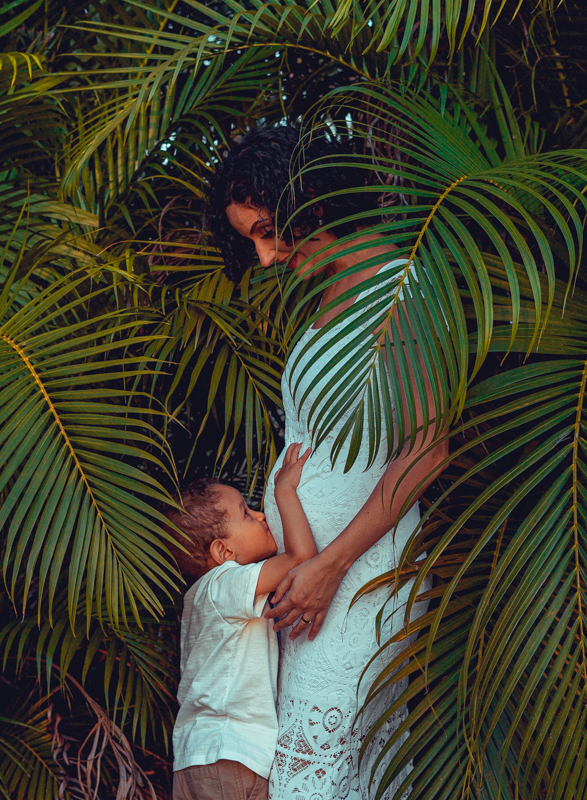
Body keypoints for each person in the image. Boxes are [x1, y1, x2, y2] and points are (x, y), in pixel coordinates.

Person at [204, 124, 449, 799]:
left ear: (308, 195)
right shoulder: (332, 292)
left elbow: (428, 448)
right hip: (308, 580)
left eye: (266, 230)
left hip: (356, 575)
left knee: (311, 777)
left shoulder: (400, 289)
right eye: (251, 238)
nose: (263, 257)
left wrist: (329, 567)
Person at [168, 443, 316, 800]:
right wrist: (285, 491)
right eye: (247, 514)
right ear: (223, 553)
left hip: (200, 757)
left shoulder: (201, 598)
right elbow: (303, 559)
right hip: (229, 752)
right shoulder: (224, 583)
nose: (262, 516)